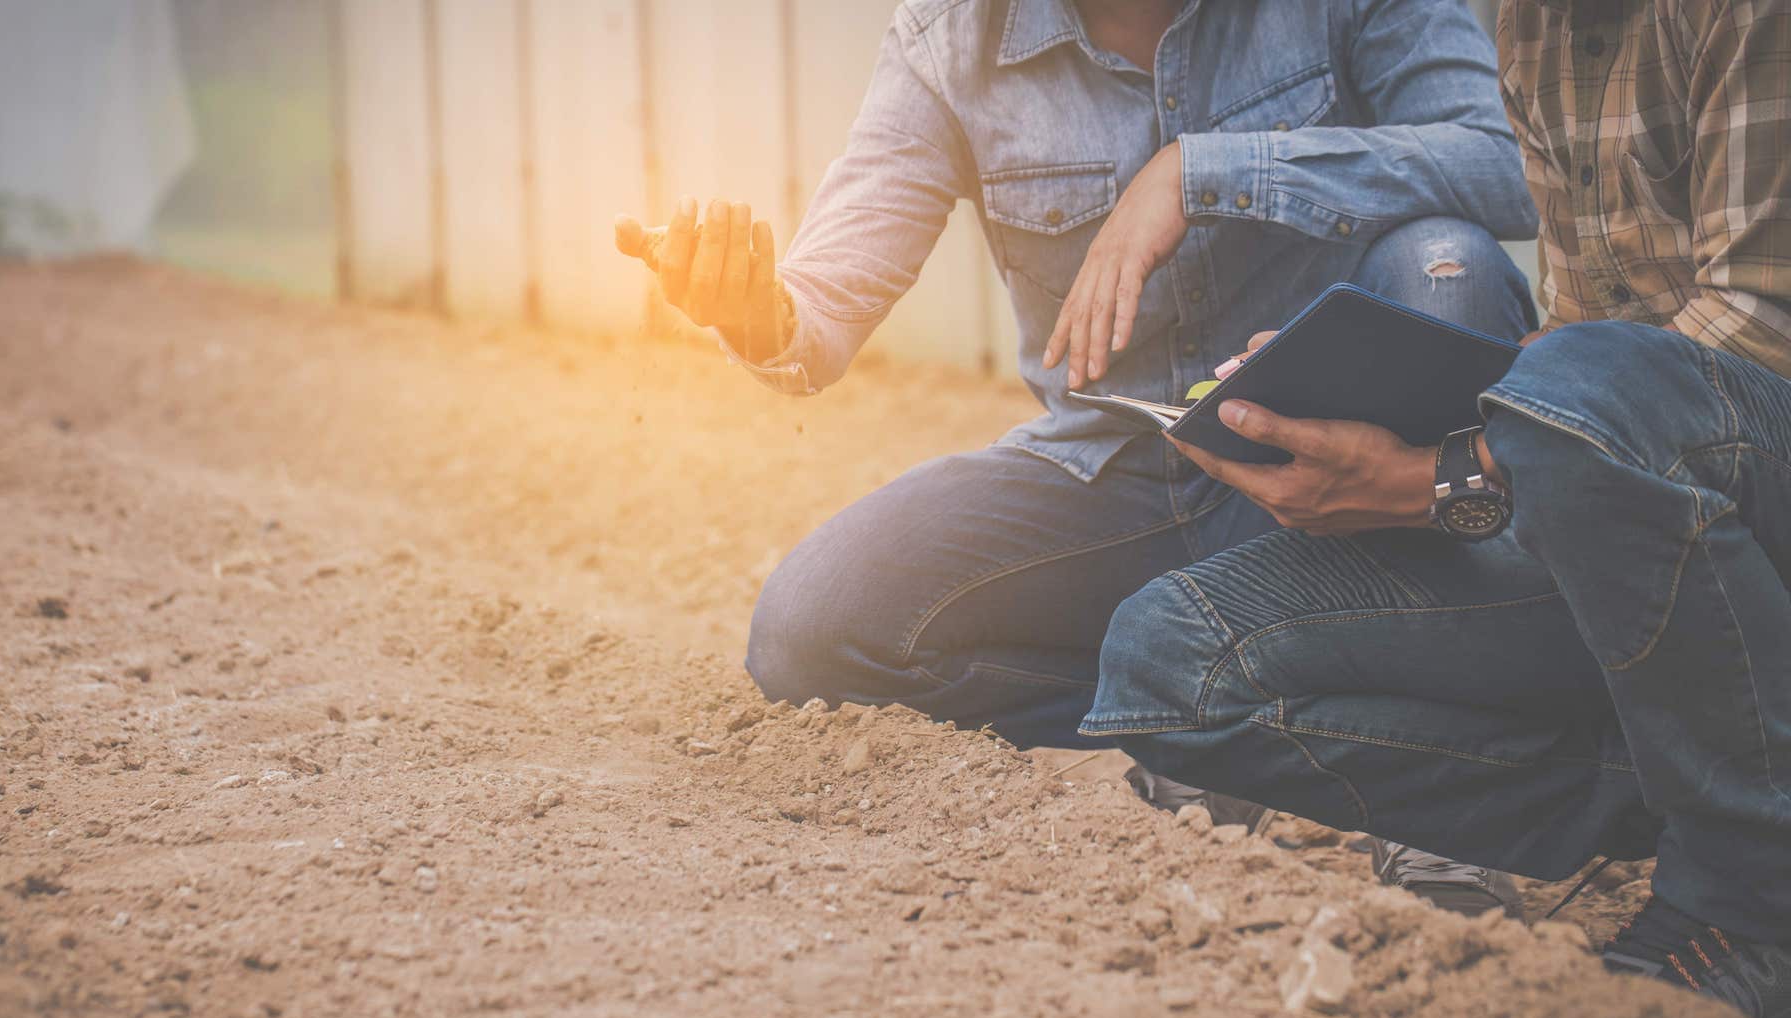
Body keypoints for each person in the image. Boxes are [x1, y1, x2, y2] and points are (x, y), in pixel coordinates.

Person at [615, 0, 1541, 913]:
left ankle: (1439, 807)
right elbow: (819, 309)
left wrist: (1201, 171)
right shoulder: (949, 39)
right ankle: (1216, 731)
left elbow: (1509, 165)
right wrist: (756, 313)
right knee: (814, 628)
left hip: (1339, 471)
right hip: (1117, 476)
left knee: (1445, 266)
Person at [1083, 0, 1791, 1018]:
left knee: (1584, 380)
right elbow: (1585, 333)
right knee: (1169, 660)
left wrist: (1438, 478)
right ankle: (1719, 766)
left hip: (1754, 488)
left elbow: (1757, 330)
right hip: (1626, 511)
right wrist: (1361, 396)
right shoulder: (1530, 25)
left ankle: (1750, 901)